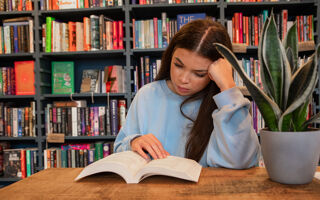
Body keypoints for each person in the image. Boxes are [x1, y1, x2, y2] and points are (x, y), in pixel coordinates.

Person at [114, 18, 260, 168]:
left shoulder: (225, 103)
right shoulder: (146, 95)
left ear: (214, 73)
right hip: (153, 189)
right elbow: (119, 150)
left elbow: (243, 161)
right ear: (170, 56)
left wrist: (228, 87)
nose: (183, 79)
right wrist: (134, 142)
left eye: (199, 74)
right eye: (178, 65)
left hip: (208, 189)